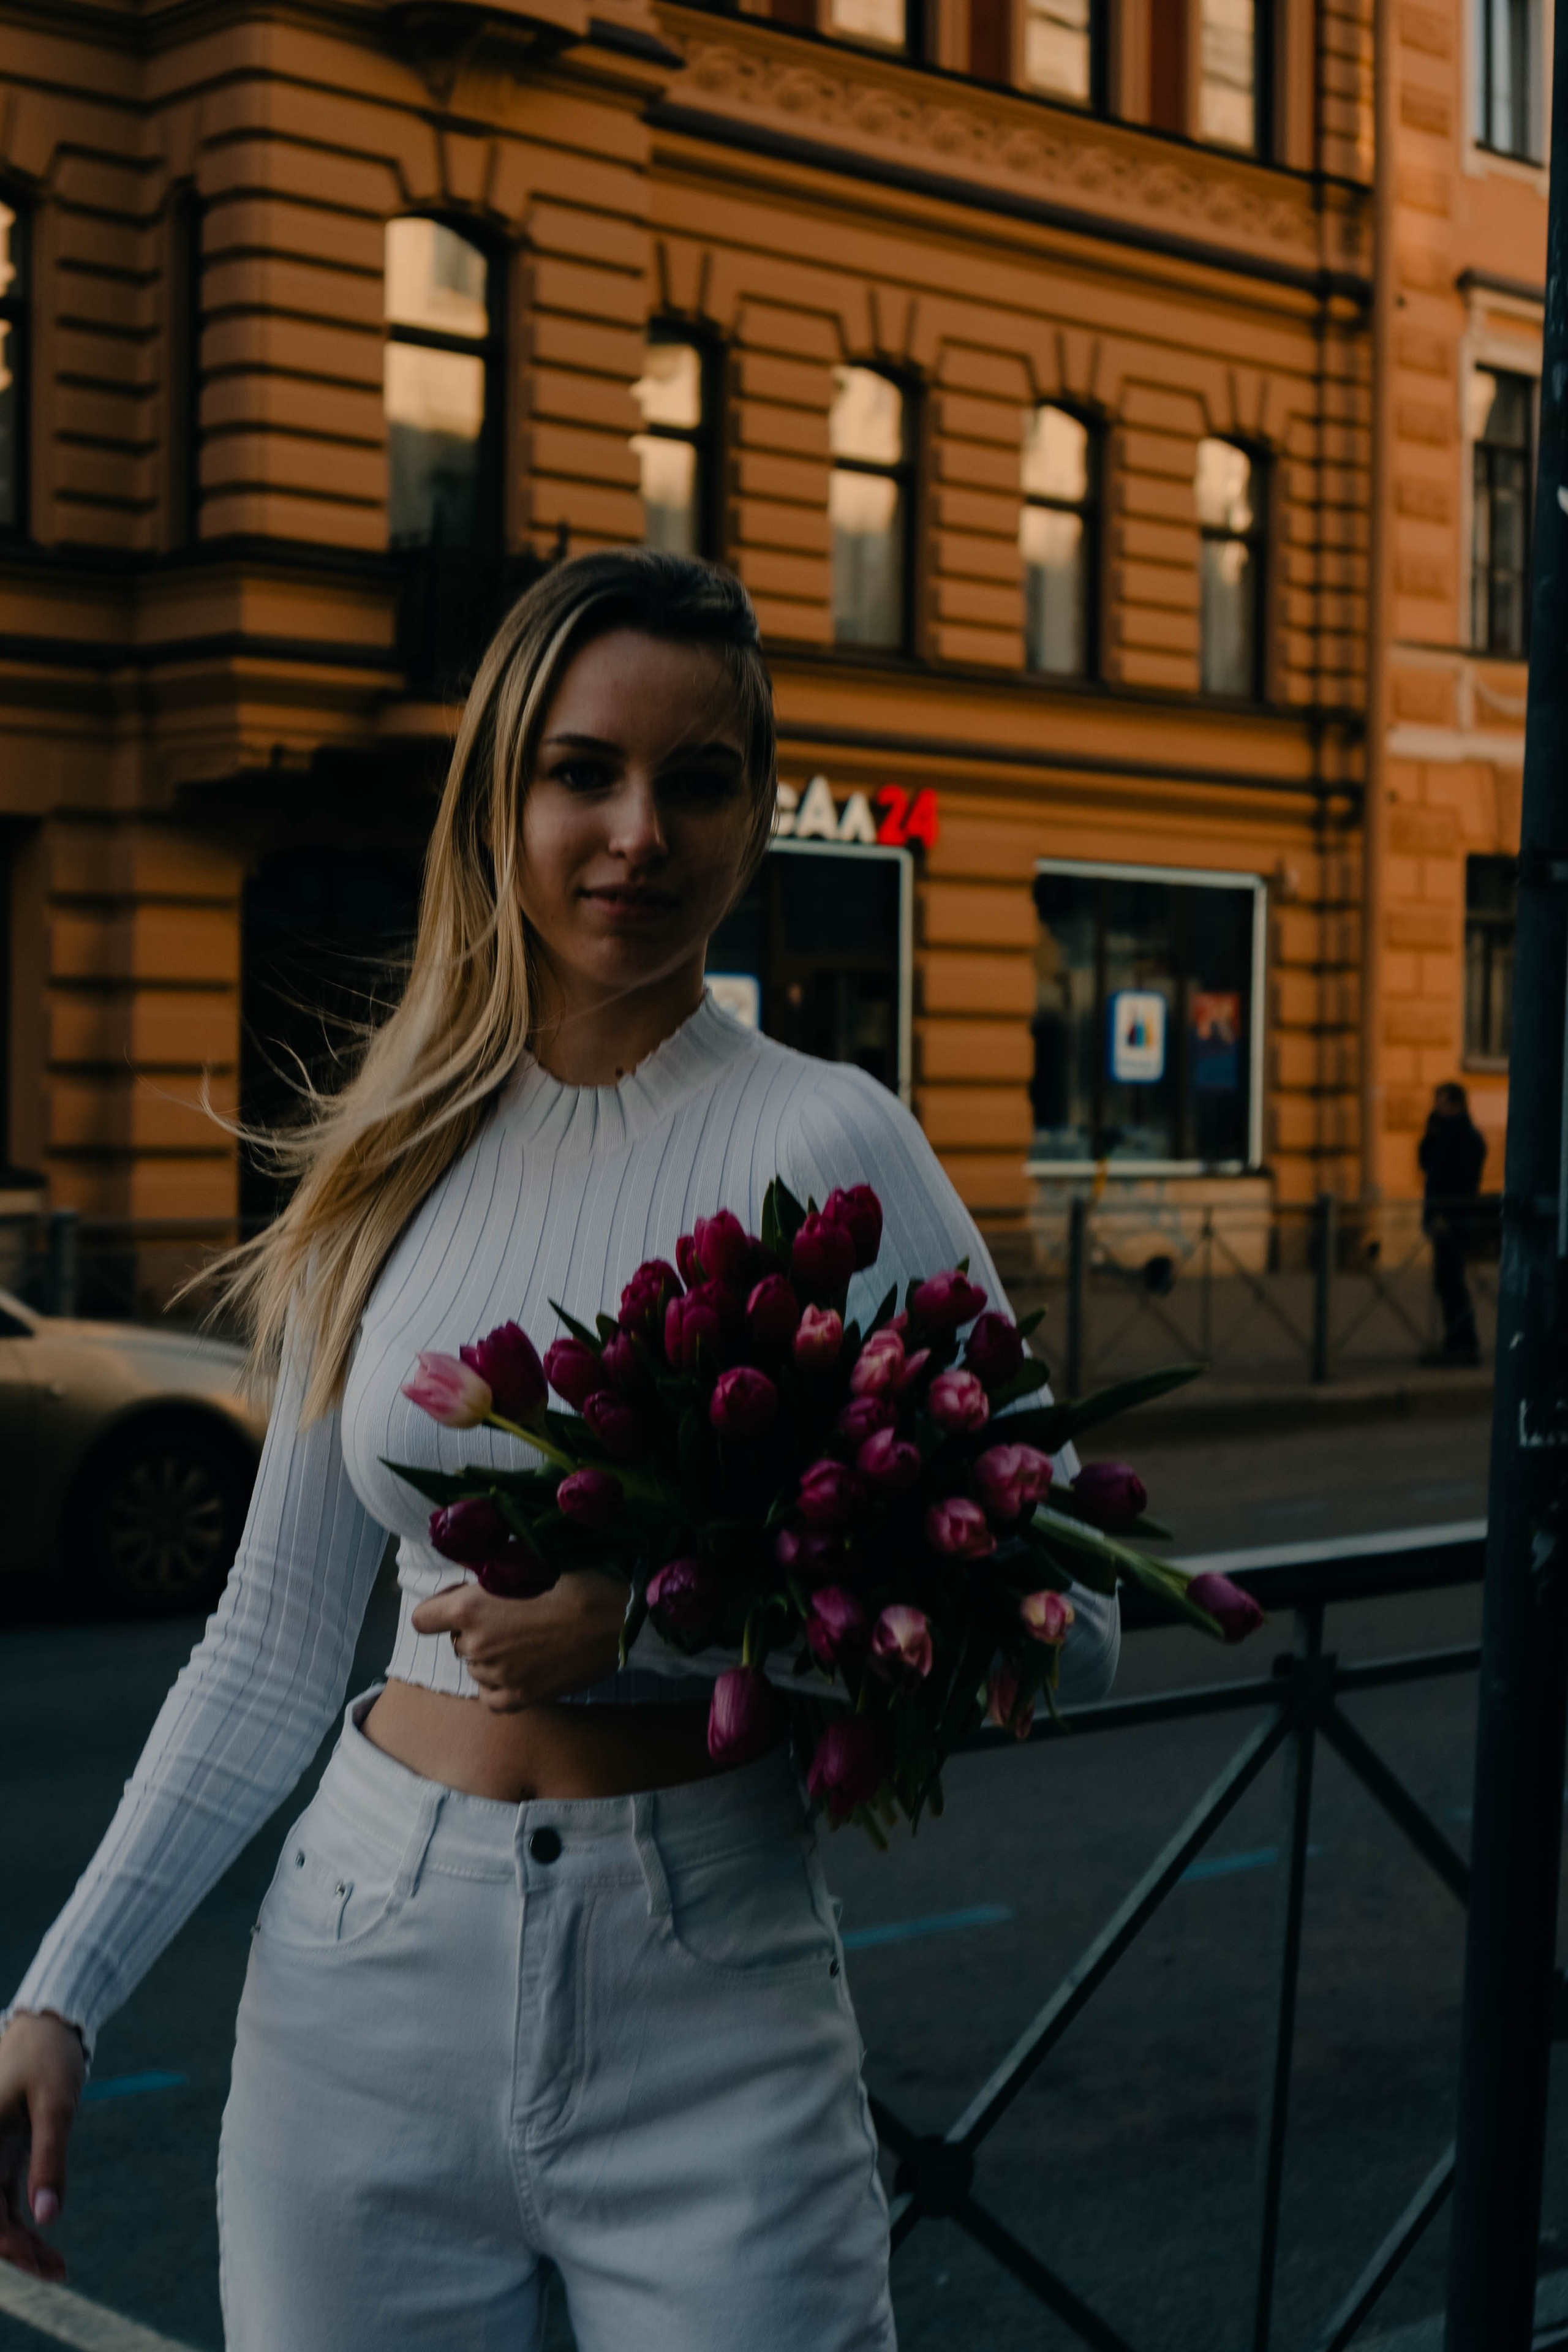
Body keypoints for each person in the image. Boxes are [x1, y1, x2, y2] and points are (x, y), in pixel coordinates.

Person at [0, 551, 1120, 2351]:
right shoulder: (385, 1153)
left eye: (697, 780)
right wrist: (58, 1990)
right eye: (582, 771)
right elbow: (273, 1642)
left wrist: (656, 1620)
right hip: (359, 1979)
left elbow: (1066, 1606)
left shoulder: (834, 1143)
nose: (636, 832)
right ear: (502, 792)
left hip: (712, 1993)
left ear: (756, 808)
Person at [1418, 1081, 1487, 1366]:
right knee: (1445, 1282)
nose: (1437, 1107)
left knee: (1452, 1282)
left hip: (1454, 1219)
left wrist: (1446, 1213)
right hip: (1443, 1218)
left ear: (1456, 1104)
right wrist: (1430, 1133)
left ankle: (1464, 1343)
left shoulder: (1466, 1136)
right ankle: (1455, 1342)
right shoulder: (1444, 1133)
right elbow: (1426, 1165)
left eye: (1442, 1103)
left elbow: (1459, 1177)